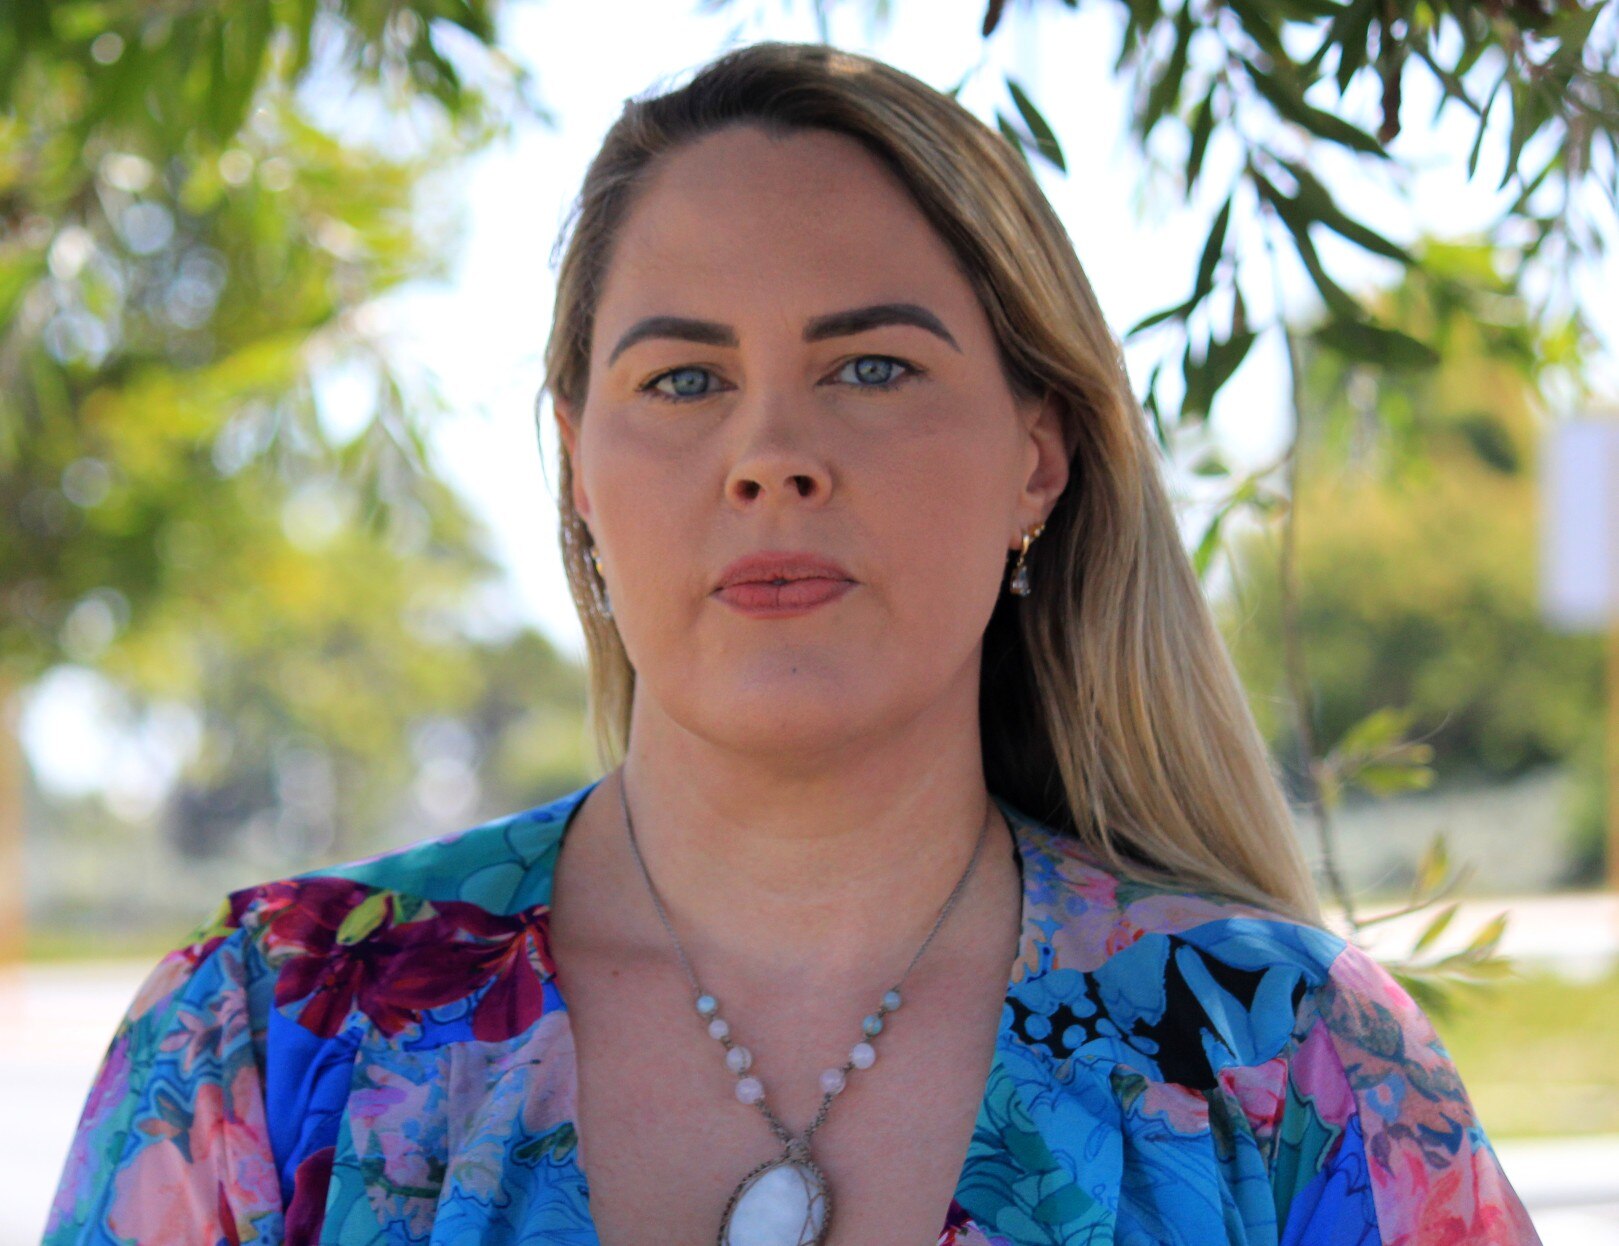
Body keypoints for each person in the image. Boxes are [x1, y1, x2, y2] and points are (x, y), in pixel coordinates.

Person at [45, 39, 1540, 1246]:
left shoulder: (1285, 1064)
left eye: (872, 365)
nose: (770, 454)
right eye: (686, 379)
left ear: (1039, 454)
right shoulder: (263, 1044)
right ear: (578, 473)